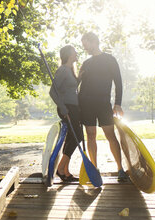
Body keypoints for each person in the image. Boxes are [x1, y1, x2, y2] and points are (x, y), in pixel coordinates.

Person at [78, 32, 128, 181]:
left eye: (86, 44)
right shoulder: (86, 63)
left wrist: (118, 103)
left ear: (94, 42)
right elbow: (77, 85)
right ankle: (94, 169)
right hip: (86, 104)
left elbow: (118, 82)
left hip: (103, 104)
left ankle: (120, 169)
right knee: (91, 136)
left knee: (110, 135)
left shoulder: (109, 60)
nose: (85, 48)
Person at [49, 45, 83, 182]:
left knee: (71, 138)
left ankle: (65, 172)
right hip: (66, 108)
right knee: (77, 136)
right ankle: (60, 168)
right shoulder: (62, 70)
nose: (77, 53)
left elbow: (71, 87)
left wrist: (80, 78)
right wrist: (63, 109)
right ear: (69, 54)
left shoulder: (70, 70)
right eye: (75, 52)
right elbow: (53, 91)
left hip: (73, 108)